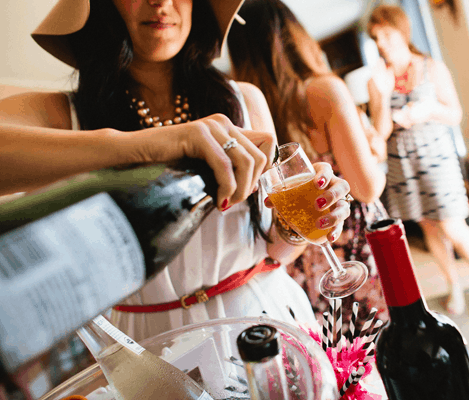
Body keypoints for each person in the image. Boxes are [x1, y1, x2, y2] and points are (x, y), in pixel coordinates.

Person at [0, 0, 354, 341]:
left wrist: (300, 224)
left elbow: (273, 249)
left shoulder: (245, 100)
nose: (161, 1)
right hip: (154, 346)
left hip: (263, 317)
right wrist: (145, 145)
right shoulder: (64, 115)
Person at [227, 0, 394, 326]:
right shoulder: (324, 91)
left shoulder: (251, 114)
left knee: (344, 359)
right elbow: (367, 187)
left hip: (301, 269)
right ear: (293, 35)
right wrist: (378, 142)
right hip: (352, 246)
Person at [367, 4, 469, 318]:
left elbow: (454, 114)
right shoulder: (379, 80)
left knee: (453, 225)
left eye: (386, 34)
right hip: (402, 163)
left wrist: (428, 110)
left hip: (437, 159)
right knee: (429, 229)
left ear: (402, 31)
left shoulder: (431, 68)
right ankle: (452, 283)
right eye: (376, 38)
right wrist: (384, 96)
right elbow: (380, 131)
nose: (382, 43)